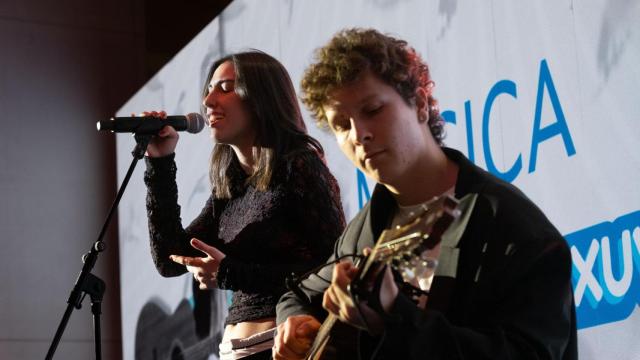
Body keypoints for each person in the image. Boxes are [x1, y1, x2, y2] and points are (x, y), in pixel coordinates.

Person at [273, 28, 577, 359]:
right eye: (342, 125)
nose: (360, 135)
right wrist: (295, 323)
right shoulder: (363, 232)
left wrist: (396, 314)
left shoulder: (515, 227)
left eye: (373, 109)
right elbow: (298, 296)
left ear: (419, 104)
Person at [143, 50, 346, 360]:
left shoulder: (300, 166)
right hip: (234, 350)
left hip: (284, 346)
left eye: (225, 88)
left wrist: (229, 273)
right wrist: (160, 162)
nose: (209, 101)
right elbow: (170, 259)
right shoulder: (231, 187)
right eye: (208, 90)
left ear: (262, 96)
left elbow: (332, 269)